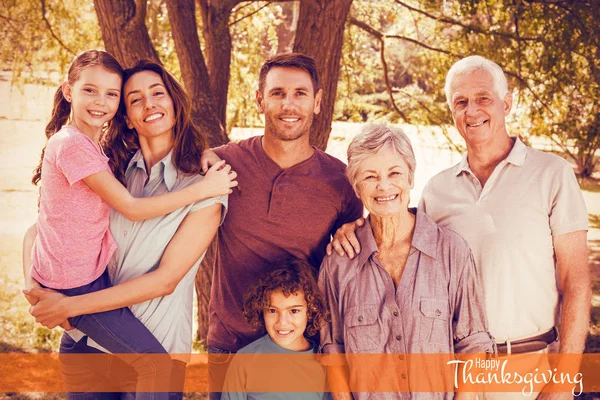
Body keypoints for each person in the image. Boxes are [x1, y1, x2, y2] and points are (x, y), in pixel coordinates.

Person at [327, 56, 591, 399]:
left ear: (506, 103)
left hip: (528, 367)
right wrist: (353, 230)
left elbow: (577, 282)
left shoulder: (551, 174)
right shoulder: (437, 190)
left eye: (483, 98)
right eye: (461, 102)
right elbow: (400, 234)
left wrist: (563, 379)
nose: (472, 111)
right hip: (454, 376)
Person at [23, 59, 231, 400]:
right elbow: (40, 229)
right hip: (86, 344)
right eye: (135, 99)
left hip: (155, 352)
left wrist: (69, 307)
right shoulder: (111, 169)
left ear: (175, 103)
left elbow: (166, 280)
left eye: (158, 93)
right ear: (127, 117)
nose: (149, 104)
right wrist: (37, 292)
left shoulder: (206, 185)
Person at [201, 53, 363, 397]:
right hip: (230, 345)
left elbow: (351, 263)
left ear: (318, 102)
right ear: (260, 100)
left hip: (301, 351)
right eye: (277, 93)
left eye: (300, 94)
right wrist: (198, 154)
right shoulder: (225, 162)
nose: (289, 104)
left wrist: (353, 230)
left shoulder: (340, 181)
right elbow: (175, 158)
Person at [319, 123, 494, 400]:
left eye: (395, 173)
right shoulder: (339, 264)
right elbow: (333, 354)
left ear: (411, 178)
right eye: (370, 176)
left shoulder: (451, 251)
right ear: (356, 186)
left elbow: (473, 348)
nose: (384, 186)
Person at [221, 259, 329, 400]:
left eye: (294, 311)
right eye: (272, 310)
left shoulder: (323, 362)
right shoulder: (244, 360)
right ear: (261, 310)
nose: (282, 322)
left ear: (311, 310)